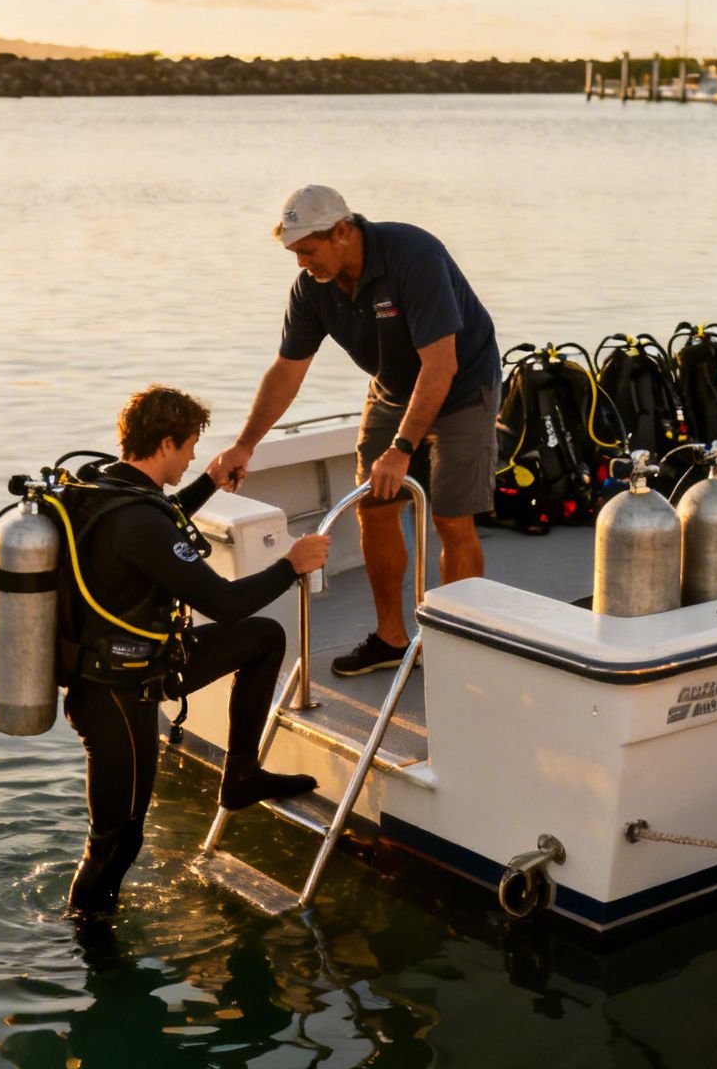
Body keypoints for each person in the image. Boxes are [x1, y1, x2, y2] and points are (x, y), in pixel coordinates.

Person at [208, 186, 500, 677]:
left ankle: (456, 647)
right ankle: (391, 638)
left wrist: (403, 448)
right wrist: (245, 445)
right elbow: (287, 370)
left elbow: (440, 366)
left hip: (460, 385)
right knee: (375, 506)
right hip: (391, 390)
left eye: (307, 250)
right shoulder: (312, 288)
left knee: (451, 518)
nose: (301, 263)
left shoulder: (414, 256)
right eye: (294, 253)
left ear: (342, 232)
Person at [61, 384, 329, 916]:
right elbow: (225, 602)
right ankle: (89, 943)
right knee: (117, 841)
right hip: (114, 698)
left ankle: (241, 776)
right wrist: (291, 564)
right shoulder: (138, 519)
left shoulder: (111, 491)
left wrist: (209, 480)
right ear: (164, 444)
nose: (188, 459)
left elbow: (161, 525)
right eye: (187, 450)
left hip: (145, 666)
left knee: (263, 639)